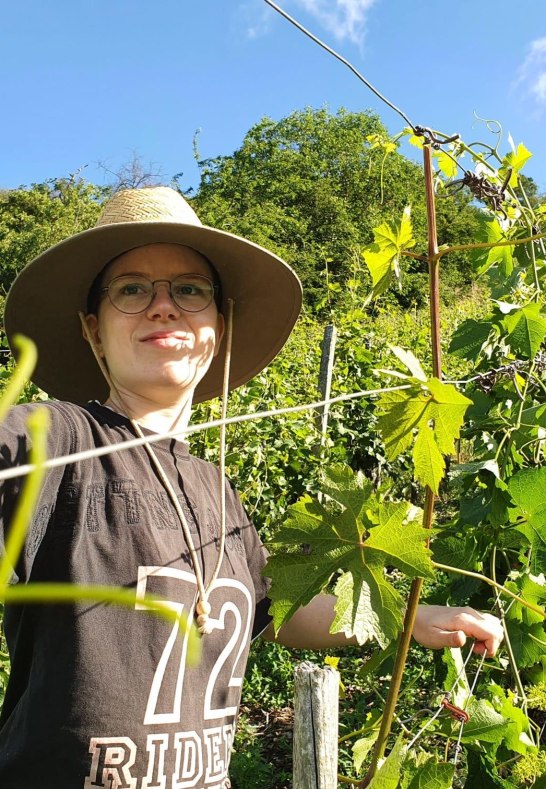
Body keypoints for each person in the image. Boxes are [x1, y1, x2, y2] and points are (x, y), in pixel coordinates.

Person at [0, 186, 502, 788]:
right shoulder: (53, 439)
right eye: (131, 290)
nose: (163, 307)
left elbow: (274, 613)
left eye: (190, 290)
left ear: (219, 324)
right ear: (92, 327)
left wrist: (408, 619)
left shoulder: (218, 488)